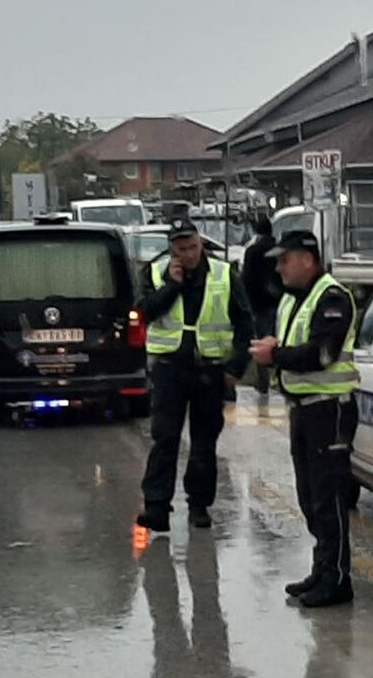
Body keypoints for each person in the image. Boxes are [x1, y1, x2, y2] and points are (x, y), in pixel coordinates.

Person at [249, 230, 359, 608]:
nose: (279, 268)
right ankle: (323, 568)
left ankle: (338, 579)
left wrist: (275, 355)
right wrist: (276, 351)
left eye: (285, 260)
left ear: (307, 260)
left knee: (329, 496)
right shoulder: (294, 299)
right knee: (310, 496)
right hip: (304, 409)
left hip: (329, 409)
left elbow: (321, 354)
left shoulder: (332, 298)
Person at [137, 219, 253, 533]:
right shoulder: (156, 273)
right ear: (171, 250)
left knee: (204, 441)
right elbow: (144, 312)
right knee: (165, 437)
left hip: (209, 370)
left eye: (192, 247)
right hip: (169, 367)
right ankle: (156, 506)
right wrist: (172, 286)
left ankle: (199, 505)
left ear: (201, 244)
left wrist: (235, 368)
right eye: (181, 249)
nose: (188, 255)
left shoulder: (224, 274)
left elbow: (245, 323)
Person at [239, 214, 284, 401]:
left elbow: (247, 279)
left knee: (261, 344)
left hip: (258, 305)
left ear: (256, 232)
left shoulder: (253, 252)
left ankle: (263, 380)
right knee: (278, 342)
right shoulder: (278, 250)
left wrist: (247, 303)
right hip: (279, 303)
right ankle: (279, 379)